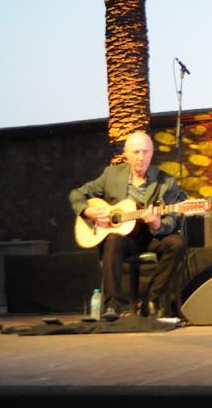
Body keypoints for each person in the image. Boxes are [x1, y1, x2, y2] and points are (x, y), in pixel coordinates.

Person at [69, 131, 186, 321]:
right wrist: (88, 212)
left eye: (145, 152)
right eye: (136, 152)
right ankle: (113, 304)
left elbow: (173, 219)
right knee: (113, 239)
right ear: (126, 154)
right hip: (124, 238)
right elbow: (77, 194)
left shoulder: (166, 182)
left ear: (152, 153)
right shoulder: (111, 175)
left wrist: (157, 224)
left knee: (177, 243)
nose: (141, 157)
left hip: (151, 237)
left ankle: (151, 300)